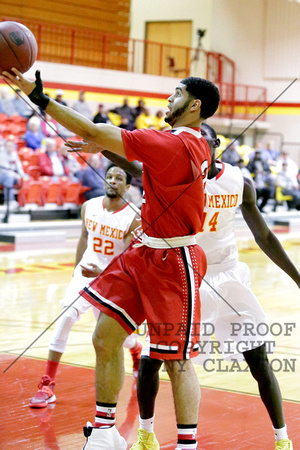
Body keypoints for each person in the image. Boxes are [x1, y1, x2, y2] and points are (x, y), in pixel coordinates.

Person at [4, 68, 220, 450]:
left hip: (175, 259)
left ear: (194, 105)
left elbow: (94, 129)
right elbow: (144, 165)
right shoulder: (186, 142)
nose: (168, 99)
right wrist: (103, 148)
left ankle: (188, 446)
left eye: (176, 93)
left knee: (177, 361)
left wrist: (38, 97)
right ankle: (105, 433)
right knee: (105, 336)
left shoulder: (175, 144)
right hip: (144, 252)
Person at [136, 123, 299, 450]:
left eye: (202, 139)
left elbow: (264, 237)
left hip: (228, 276)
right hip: (186, 276)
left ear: (216, 143)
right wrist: (94, 140)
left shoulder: (240, 181)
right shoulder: (171, 173)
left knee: (259, 359)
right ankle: (145, 434)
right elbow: (128, 159)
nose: (194, 146)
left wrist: (298, 278)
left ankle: (283, 440)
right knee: (151, 358)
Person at [29, 164, 142, 408]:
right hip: (85, 274)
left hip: (112, 280)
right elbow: (83, 237)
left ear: (128, 186)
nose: (112, 180)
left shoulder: (133, 216)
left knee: (112, 336)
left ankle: (135, 348)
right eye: (109, 176)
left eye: (119, 177)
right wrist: (76, 269)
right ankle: (47, 384)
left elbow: (129, 259)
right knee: (66, 316)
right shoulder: (88, 206)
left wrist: (103, 272)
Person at [0, 138, 26, 207]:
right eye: (8, 146)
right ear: (5, 147)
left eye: (11, 146)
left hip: (13, 175)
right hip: (2, 175)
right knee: (8, 177)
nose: (10, 147)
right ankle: (9, 200)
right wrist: (16, 175)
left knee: (26, 177)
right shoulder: (2, 154)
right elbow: (5, 169)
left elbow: (19, 166)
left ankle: (24, 201)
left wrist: (22, 175)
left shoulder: (14, 154)